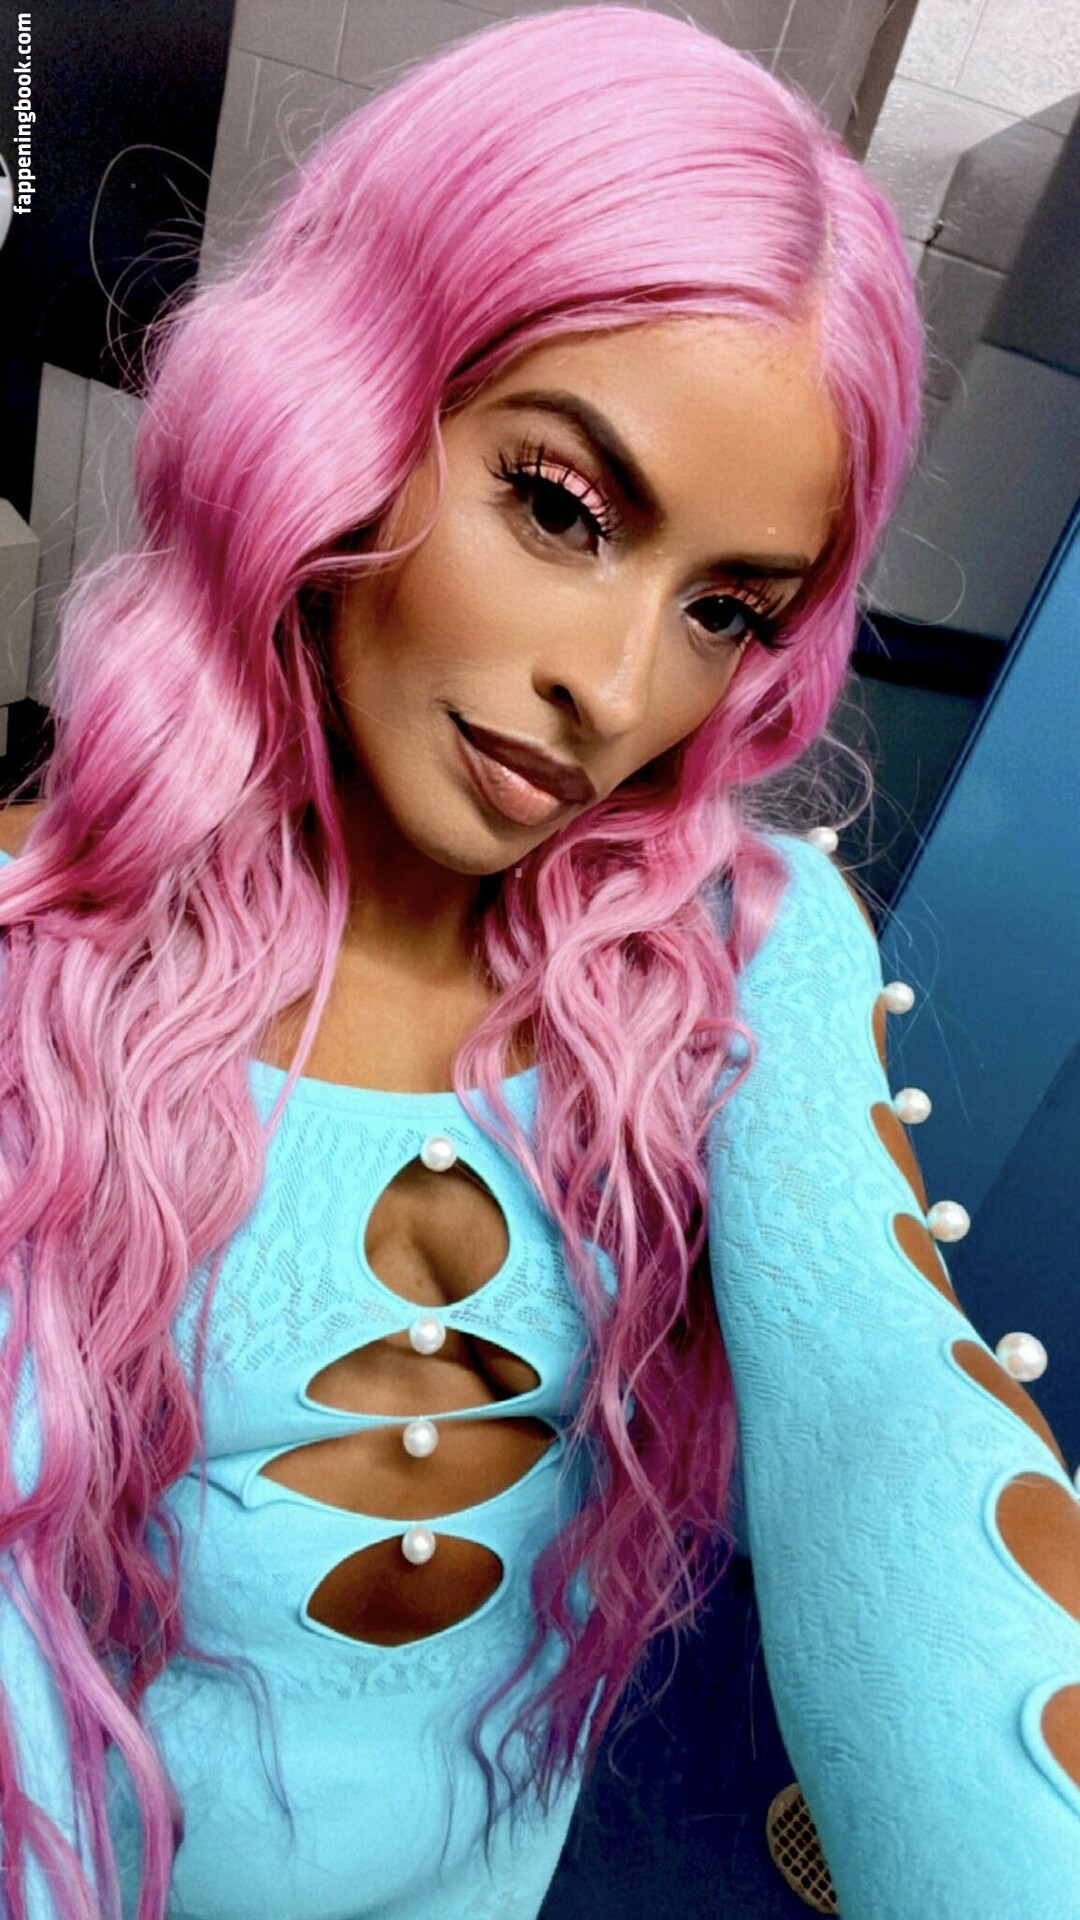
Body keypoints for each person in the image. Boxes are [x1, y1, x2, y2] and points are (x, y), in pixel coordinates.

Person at [1, 7, 1077, 1918]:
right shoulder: (40, 976)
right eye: (562, 508)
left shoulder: (736, 950)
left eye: (726, 609)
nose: (620, 687)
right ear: (344, 405)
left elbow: (885, 1408)